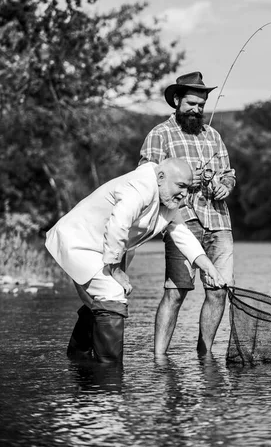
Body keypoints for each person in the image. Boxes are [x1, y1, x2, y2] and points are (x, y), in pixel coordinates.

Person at [45, 158, 225, 364]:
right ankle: (109, 374)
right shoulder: (140, 186)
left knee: (97, 300)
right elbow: (119, 223)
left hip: (99, 248)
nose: (185, 193)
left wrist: (208, 267)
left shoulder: (167, 199)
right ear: (160, 177)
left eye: (188, 188)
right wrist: (114, 269)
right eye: (181, 186)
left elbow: (182, 235)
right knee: (111, 294)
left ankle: (79, 359)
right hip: (78, 241)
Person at [139, 71, 236, 355]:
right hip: (180, 220)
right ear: (177, 101)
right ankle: (159, 357)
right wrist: (187, 180)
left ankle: (204, 356)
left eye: (201, 105)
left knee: (219, 290)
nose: (196, 110)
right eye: (190, 103)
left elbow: (229, 174)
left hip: (218, 221)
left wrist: (224, 186)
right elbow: (146, 178)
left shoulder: (213, 136)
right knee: (176, 291)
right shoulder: (160, 134)